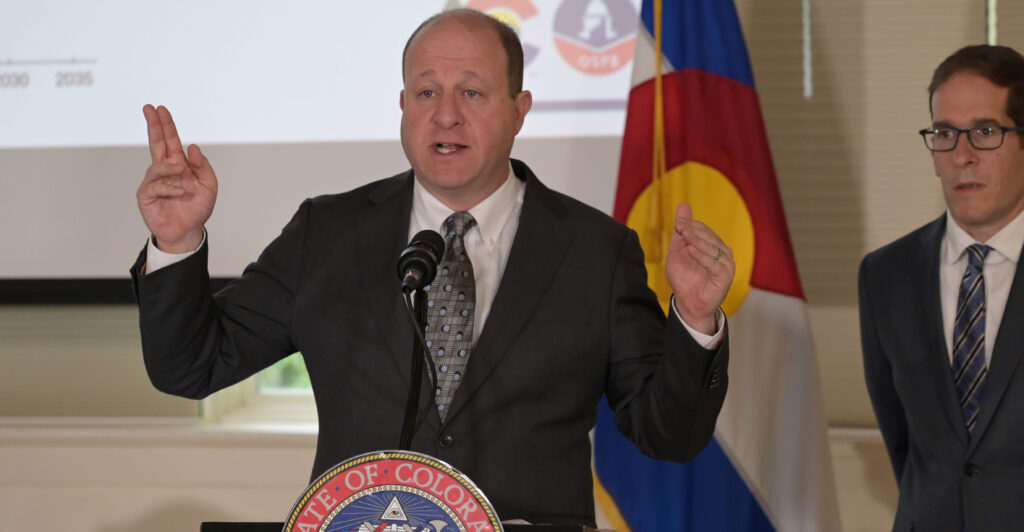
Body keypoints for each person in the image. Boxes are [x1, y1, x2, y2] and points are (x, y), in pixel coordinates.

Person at [133, 9, 733, 527]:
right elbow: (192, 366)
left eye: (471, 93)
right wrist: (177, 240)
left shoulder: (595, 250)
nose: (446, 115)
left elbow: (669, 436)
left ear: (519, 110)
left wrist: (695, 319)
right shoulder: (327, 233)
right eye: (426, 93)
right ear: (402, 105)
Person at [859, 44, 1024, 531]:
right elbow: (904, 444)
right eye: (945, 134)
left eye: (985, 132)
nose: (962, 156)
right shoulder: (885, 276)